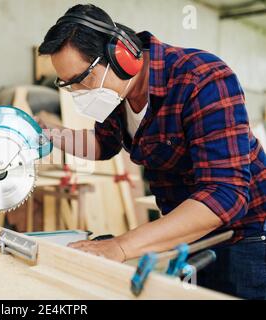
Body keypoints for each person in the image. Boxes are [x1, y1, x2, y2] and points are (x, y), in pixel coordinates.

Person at [36, 4, 266, 299]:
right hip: (188, 232)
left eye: (84, 80)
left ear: (121, 55)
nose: (80, 93)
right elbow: (101, 144)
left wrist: (120, 246)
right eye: (71, 86)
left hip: (246, 236)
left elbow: (225, 194)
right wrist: (48, 134)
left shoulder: (202, 78)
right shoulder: (116, 92)